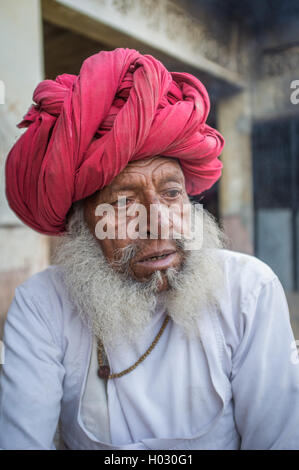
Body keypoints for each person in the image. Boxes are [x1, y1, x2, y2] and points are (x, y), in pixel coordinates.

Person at [1, 48, 299, 450]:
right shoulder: (41, 305)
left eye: (171, 193)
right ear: (81, 225)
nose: (159, 222)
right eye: (124, 203)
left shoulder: (249, 290)